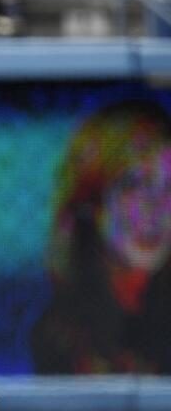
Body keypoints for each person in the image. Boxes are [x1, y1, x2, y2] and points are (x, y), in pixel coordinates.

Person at [31, 100, 171, 374]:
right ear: (91, 200)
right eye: (135, 184)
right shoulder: (59, 337)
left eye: (169, 187)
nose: (156, 207)